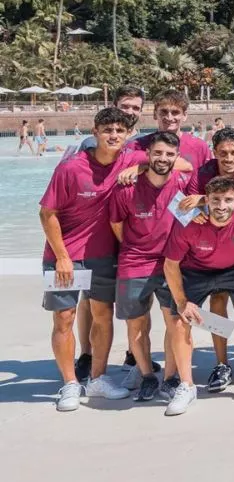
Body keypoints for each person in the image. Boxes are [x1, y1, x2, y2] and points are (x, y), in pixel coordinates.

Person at [40, 107, 145, 411]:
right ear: (95, 132)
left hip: (103, 255)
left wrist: (138, 169)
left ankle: (98, 378)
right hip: (64, 256)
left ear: (128, 135)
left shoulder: (130, 159)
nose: (113, 135)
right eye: (107, 130)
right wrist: (62, 257)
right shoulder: (70, 168)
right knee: (64, 318)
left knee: (103, 315)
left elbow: (175, 162)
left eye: (120, 131)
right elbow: (47, 213)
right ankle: (70, 383)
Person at [162, 176, 234, 415]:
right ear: (206, 200)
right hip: (196, 271)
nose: (221, 206)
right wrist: (182, 302)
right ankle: (187, 385)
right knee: (179, 321)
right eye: (215, 200)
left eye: (228, 200)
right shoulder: (189, 221)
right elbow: (170, 264)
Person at [178, 126, 234, 389]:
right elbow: (184, 204)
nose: (228, 158)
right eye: (223, 153)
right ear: (214, 153)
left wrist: (209, 201)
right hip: (208, 249)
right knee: (217, 303)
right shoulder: (203, 171)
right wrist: (200, 206)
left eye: (233, 153)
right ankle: (222, 362)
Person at [108, 132, 190, 401]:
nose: (163, 158)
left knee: (175, 321)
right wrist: (136, 247)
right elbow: (117, 225)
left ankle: (170, 377)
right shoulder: (126, 189)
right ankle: (146, 376)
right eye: (158, 153)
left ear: (177, 157)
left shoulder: (184, 184)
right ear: (148, 155)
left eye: (169, 154)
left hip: (172, 264)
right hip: (134, 263)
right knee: (136, 324)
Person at [72, 85, 145, 377]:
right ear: (114, 105)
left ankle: (133, 353)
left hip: (128, 233)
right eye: (125, 106)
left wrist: (139, 169)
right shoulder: (89, 143)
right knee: (89, 299)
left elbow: (164, 164)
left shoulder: (141, 144)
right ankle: (86, 353)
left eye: (136, 108)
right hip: (92, 235)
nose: (130, 111)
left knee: (133, 297)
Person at [125, 89, 211, 170]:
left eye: (175, 112)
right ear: (155, 114)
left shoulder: (200, 147)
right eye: (164, 112)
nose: (169, 117)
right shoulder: (135, 146)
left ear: (184, 115)